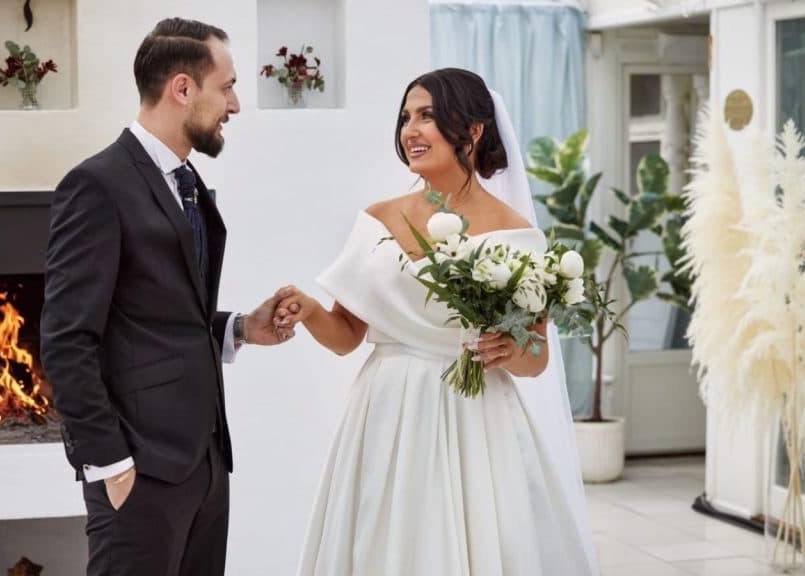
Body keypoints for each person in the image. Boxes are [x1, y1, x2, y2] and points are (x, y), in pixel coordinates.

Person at [274, 68, 598, 575]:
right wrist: (311, 310)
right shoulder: (377, 219)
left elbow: (536, 358)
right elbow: (345, 339)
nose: (410, 130)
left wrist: (508, 352)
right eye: (406, 117)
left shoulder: (517, 235)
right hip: (385, 413)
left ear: (472, 131)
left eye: (426, 116)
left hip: (476, 419)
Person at [40, 17, 294, 576]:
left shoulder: (187, 182)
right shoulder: (97, 185)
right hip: (138, 472)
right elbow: (65, 339)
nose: (235, 106)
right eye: (226, 87)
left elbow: (163, 313)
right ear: (183, 88)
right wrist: (109, 463)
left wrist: (239, 329)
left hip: (204, 465)